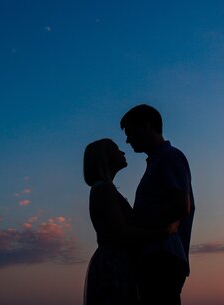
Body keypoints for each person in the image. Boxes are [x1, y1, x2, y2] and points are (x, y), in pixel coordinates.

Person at [83, 138, 176, 305]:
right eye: (117, 149)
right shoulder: (104, 189)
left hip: (114, 260)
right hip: (114, 263)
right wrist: (163, 232)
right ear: (105, 157)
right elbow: (122, 233)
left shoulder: (102, 188)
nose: (123, 152)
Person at [120, 104, 195, 305]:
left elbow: (182, 206)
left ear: (145, 126)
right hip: (157, 257)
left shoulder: (170, 157)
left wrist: (136, 225)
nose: (127, 140)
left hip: (162, 258)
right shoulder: (158, 161)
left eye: (130, 132)